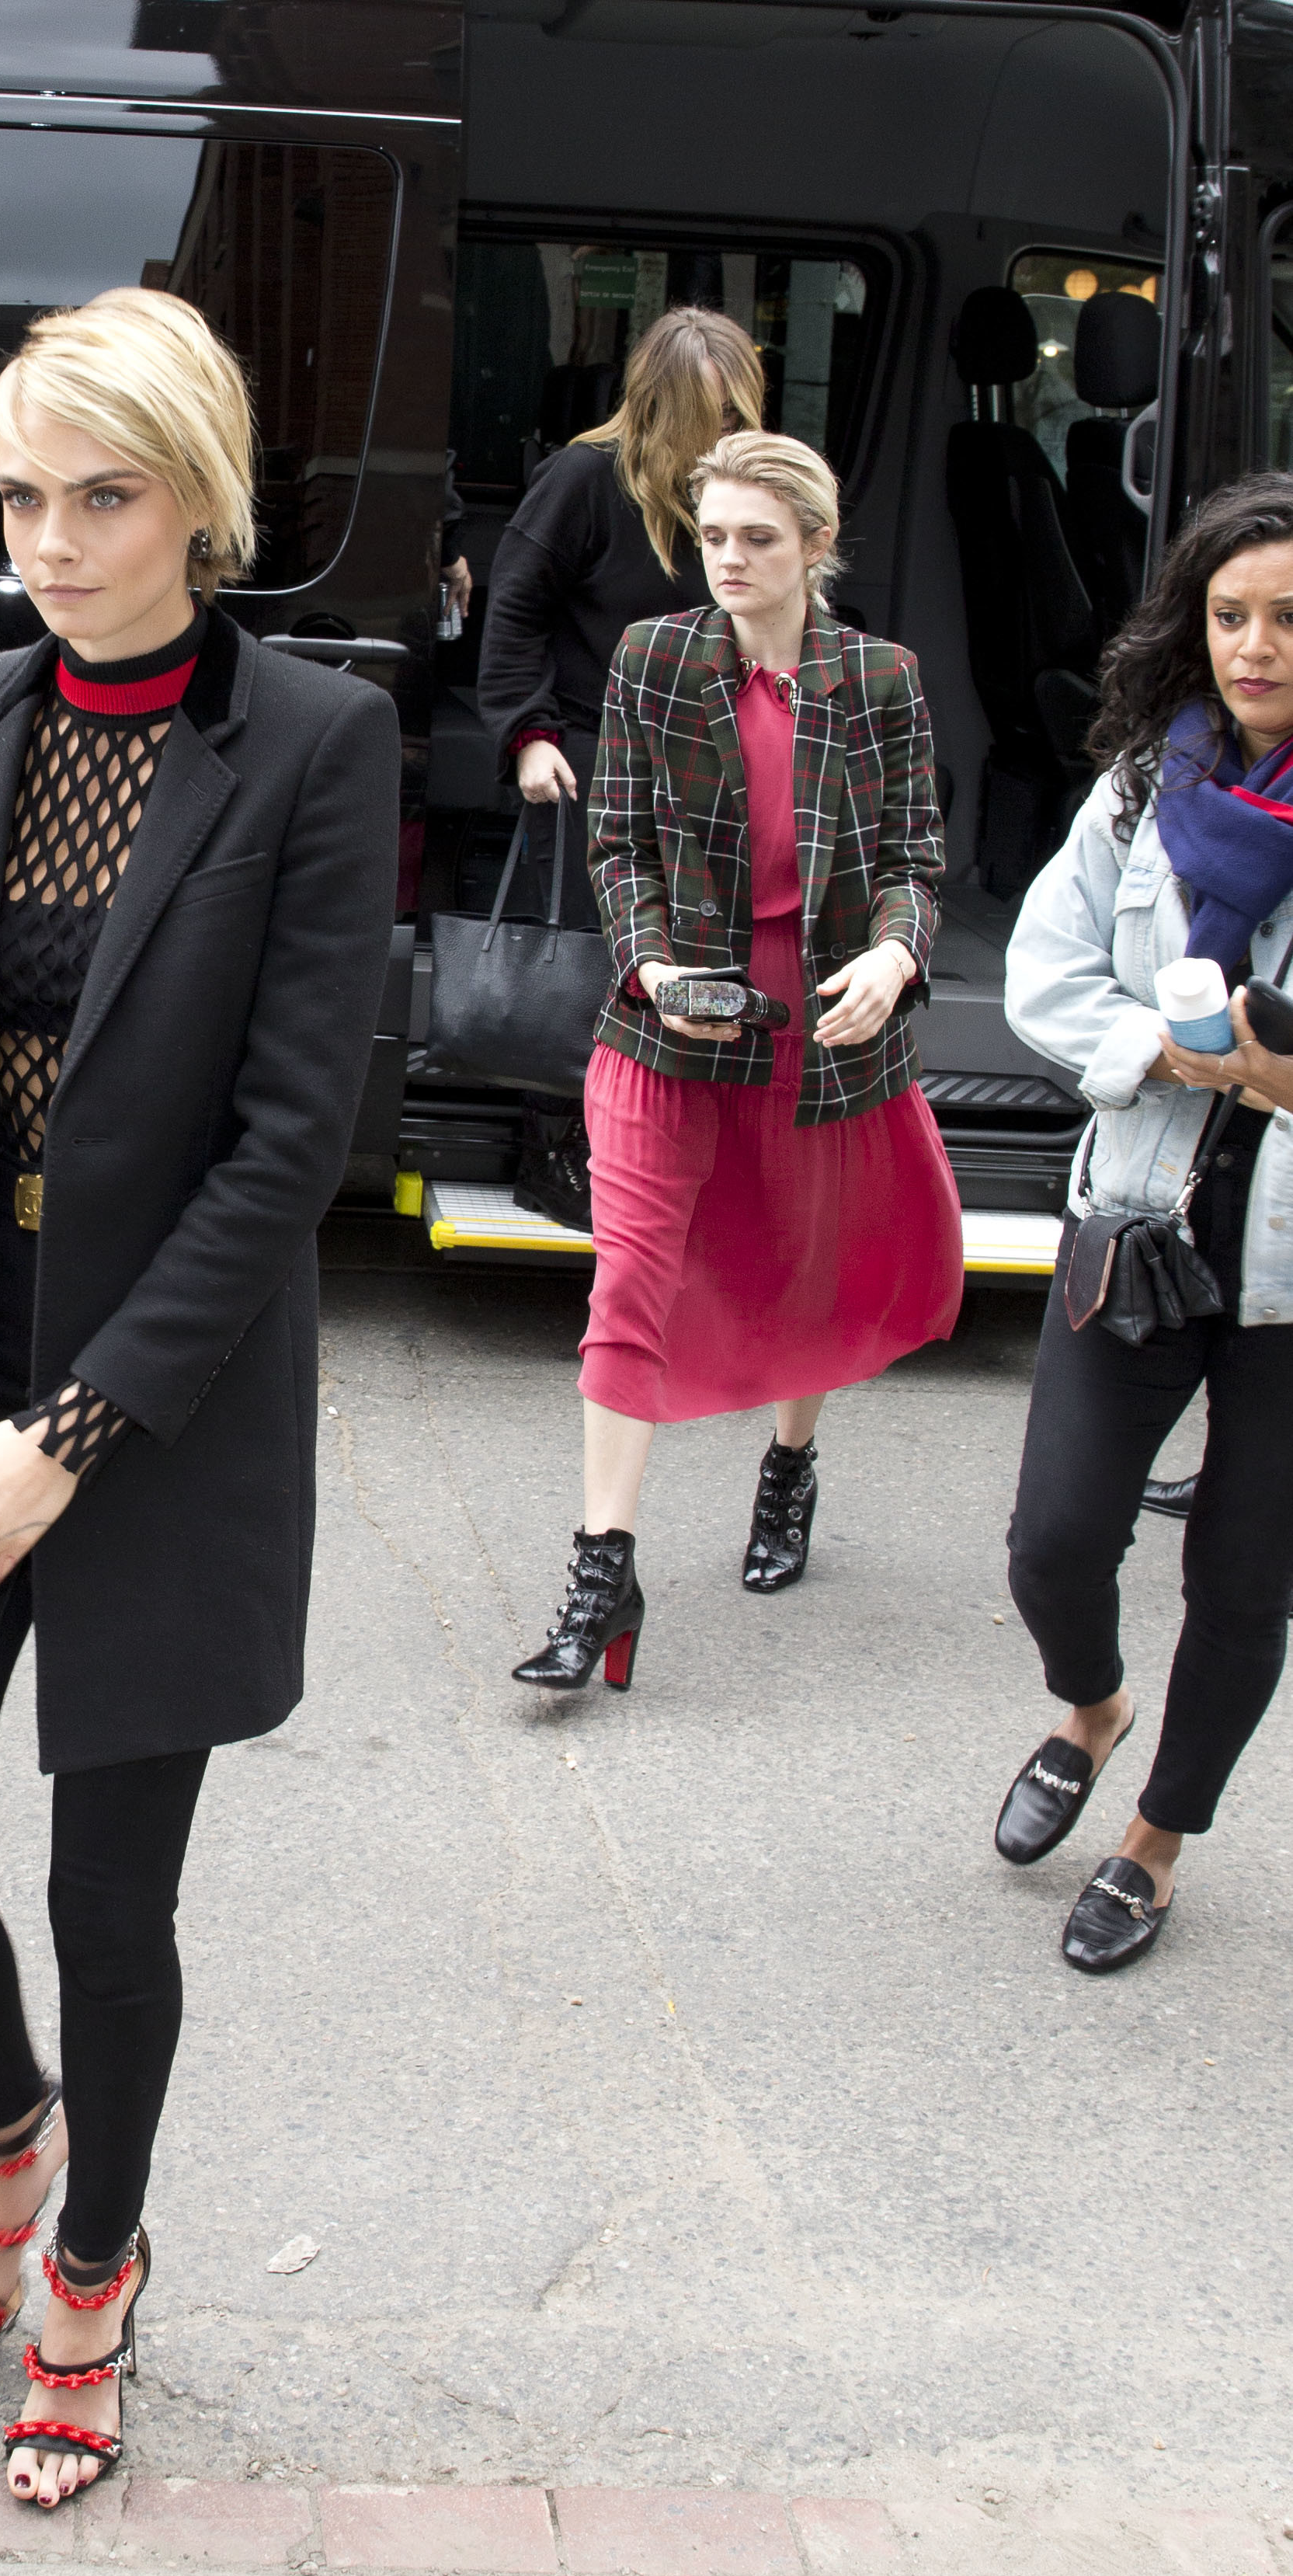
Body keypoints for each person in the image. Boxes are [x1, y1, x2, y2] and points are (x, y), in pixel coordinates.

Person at [0, 287, 398, 2505]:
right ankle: (5, 2126)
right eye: (19, 497)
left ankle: (92, 2267)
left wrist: (67, 1444)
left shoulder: (313, 742)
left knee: (106, 1910)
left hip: (161, 1402)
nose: (48, 543)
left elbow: (284, 1150)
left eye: (100, 496)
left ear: (197, 502)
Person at [512, 430, 963, 1690]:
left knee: (799, 1266)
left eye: (757, 538)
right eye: (711, 535)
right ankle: (602, 1568)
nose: (728, 558)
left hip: (819, 1025)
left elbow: (915, 862)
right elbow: (617, 845)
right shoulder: (654, 659)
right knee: (628, 1280)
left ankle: (789, 1465)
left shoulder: (878, 680)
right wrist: (653, 967)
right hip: (665, 1019)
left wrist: (893, 959)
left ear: (817, 545)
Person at [992, 472, 1293, 1973]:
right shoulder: (1136, 793)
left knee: (1242, 1583)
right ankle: (1094, 1704)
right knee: (1053, 1544)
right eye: (1230, 615)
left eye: (1288, 617)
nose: (1256, 646)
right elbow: (1043, 979)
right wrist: (1176, 1055)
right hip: (1137, 1218)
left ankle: (1156, 1841)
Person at [478, 306, 766, 861]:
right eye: (708, 415)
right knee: (595, 920)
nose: (723, 431)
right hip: (594, 756)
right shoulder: (584, 477)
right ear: (660, 404)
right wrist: (529, 736)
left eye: (733, 415)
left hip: (713, 761)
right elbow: (516, 611)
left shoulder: (744, 490)